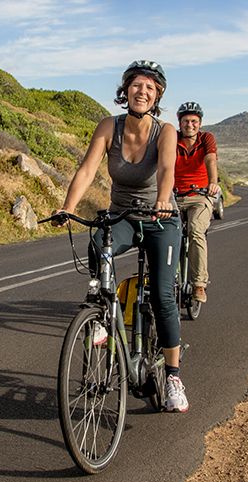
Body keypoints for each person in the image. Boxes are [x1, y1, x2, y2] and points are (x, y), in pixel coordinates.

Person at [53, 60, 189, 413]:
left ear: (157, 94)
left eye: (149, 87)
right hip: (123, 215)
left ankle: (173, 376)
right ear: (125, 90)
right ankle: (102, 315)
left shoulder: (166, 131)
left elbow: (167, 170)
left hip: (161, 219)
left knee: (162, 296)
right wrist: (67, 206)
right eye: (136, 85)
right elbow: (86, 169)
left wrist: (162, 199)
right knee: (99, 244)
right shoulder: (108, 127)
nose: (141, 91)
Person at [173, 101, 219, 303]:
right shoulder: (172, 139)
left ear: (199, 123)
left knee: (195, 229)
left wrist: (213, 183)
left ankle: (199, 284)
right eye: (185, 121)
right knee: (162, 232)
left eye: (194, 121)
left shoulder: (206, 139)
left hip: (200, 196)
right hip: (173, 196)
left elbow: (210, 159)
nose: (189, 125)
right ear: (179, 122)